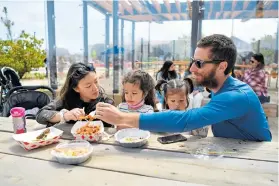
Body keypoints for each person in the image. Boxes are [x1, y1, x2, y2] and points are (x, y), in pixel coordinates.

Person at [95, 34, 272, 141]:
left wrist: (121, 118)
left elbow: (185, 120)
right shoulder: (220, 89)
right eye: (192, 62)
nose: (192, 68)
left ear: (222, 66)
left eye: (199, 63)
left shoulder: (235, 96)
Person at [36, 62, 114, 127]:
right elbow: (40, 115)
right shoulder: (66, 99)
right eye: (88, 86)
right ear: (76, 88)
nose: (95, 88)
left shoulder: (105, 102)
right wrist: (65, 115)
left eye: (96, 81)